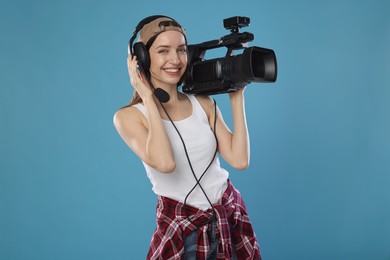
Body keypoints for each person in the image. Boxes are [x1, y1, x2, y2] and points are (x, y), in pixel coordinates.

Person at [113, 15, 261, 260]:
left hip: (228, 217)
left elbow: (239, 160)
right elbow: (165, 163)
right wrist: (148, 98)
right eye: (163, 51)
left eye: (181, 50)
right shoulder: (129, 117)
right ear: (141, 58)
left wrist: (237, 95)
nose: (175, 59)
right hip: (182, 228)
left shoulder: (204, 104)